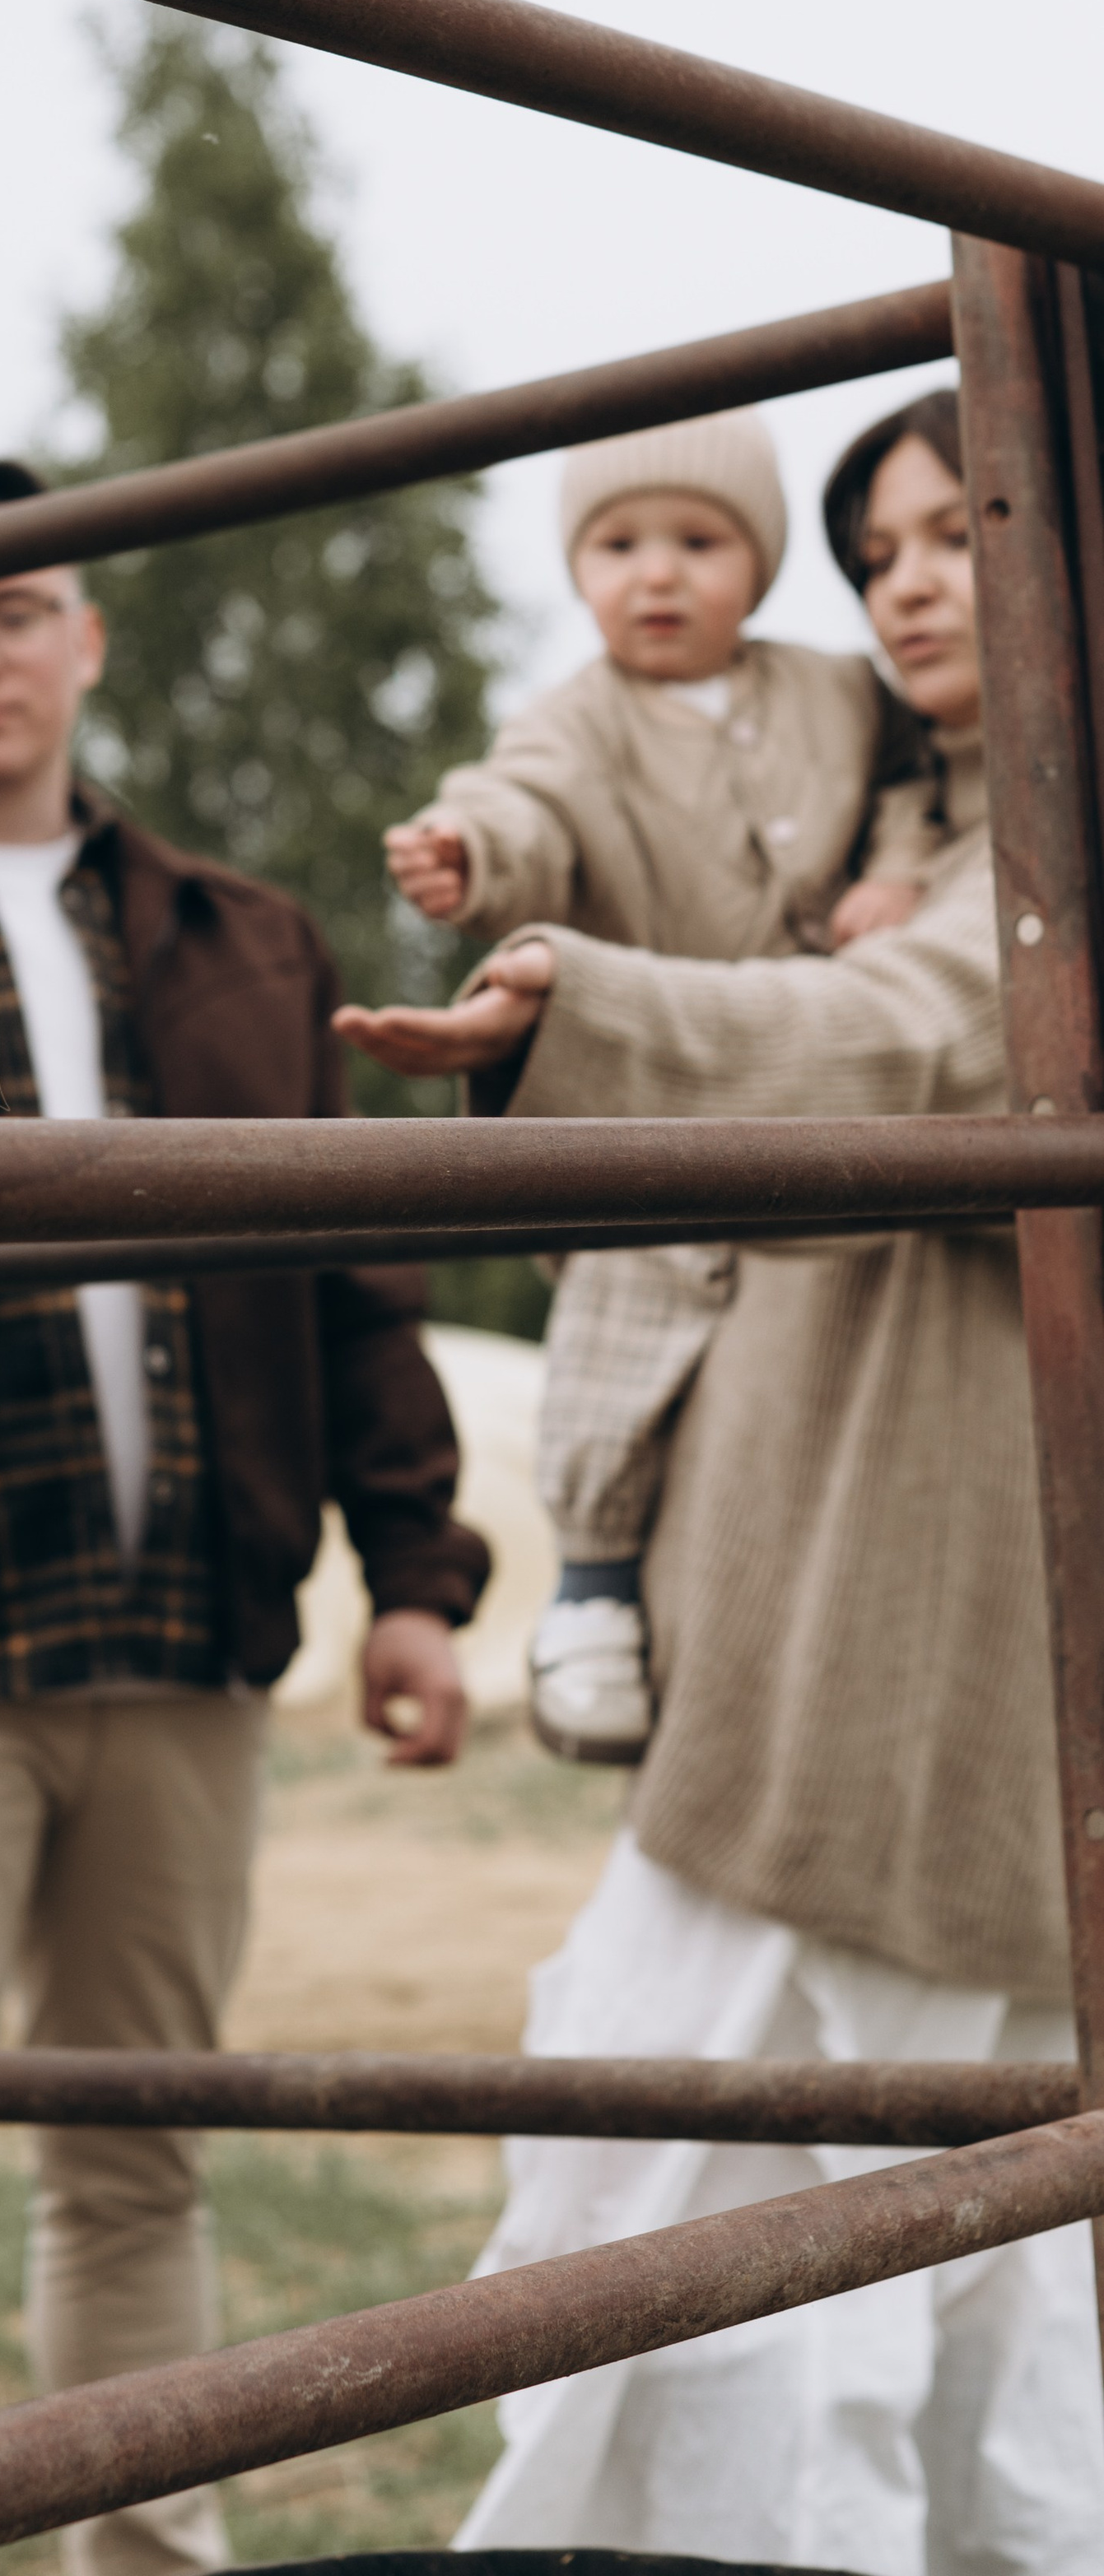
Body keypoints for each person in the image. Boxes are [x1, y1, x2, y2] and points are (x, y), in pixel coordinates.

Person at [340, 389, 1104, 2574]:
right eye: (882, 556)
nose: (918, 584)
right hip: (814, 1604)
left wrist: (574, 1010)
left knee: (818, 2214)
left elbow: (926, 1045)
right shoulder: (918, 810)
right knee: (761, 2178)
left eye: (971, 529)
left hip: (924, 1628)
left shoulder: (1042, 856)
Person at [0, 458, 489, 2576]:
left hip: (181, 1647)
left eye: (15, 610)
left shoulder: (245, 941)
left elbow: (358, 1290)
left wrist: (416, 1584)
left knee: (138, 2165)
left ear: (87, 638)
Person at [384, 409, 941, 1765]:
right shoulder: (578, 718)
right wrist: (473, 852)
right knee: (614, 1342)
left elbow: (929, 779)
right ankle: (591, 1592)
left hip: (815, 1083)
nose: (657, 575)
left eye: (698, 543)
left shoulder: (838, 690)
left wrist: (906, 872)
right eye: (620, 545)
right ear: (579, 571)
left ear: (757, 565)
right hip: (649, 1093)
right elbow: (527, 804)